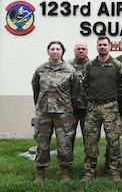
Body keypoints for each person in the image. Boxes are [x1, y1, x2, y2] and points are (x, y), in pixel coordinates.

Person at [81, 36, 122, 182]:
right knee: (90, 141)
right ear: (96, 47)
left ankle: (114, 171)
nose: (102, 47)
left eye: (105, 45)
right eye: (100, 45)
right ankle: (89, 171)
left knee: (113, 141)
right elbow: (85, 85)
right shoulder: (89, 66)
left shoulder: (117, 65)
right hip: (93, 107)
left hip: (111, 107)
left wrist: (112, 97)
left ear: (110, 47)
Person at [31, 41, 77, 182]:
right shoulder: (41, 69)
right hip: (44, 112)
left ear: (62, 52)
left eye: (58, 49)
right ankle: (40, 172)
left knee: (64, 144)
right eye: (52, 49)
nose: (55, 51)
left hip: (63, 113)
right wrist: (40, 105)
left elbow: (75, 91)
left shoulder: (70, 70)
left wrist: (68, 107)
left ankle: (65, 171)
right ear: (48, 51)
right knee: (42, 144)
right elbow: (35, 88)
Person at [67, 41, 89, 148]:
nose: (81, 51)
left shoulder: (93, 65)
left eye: (83, 49)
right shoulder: (66, 66)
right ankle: (66, 162)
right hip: (70, 108)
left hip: (88, 108)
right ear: (74, 51)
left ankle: (90, 163)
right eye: (78, 49)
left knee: (90, 138)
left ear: (87, 51)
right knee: (67, 138)